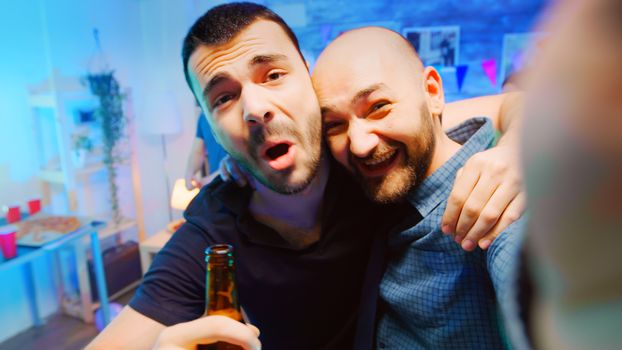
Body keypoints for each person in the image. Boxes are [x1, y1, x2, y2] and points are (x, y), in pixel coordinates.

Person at [88, 3, 524, 349]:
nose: (255, 109)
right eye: (223, 98)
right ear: (211, 127)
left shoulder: (367, 158)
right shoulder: (209, 238)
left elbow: (511, 105)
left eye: (273, 75)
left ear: (310, 88)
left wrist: (522, 147)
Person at [311, 27, 526, 348]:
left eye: (378, 107)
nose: (359, 145)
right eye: (335, 125)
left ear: (433, 92)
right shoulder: (381, 188)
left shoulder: (499, 198)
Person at [185, 112, 228, 190]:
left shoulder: (232, 113)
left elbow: (239, 160)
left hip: (237, 185)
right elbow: (198, 152)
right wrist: (189, 173)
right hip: (215, 188)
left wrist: (210, 180)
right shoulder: (203, 116)